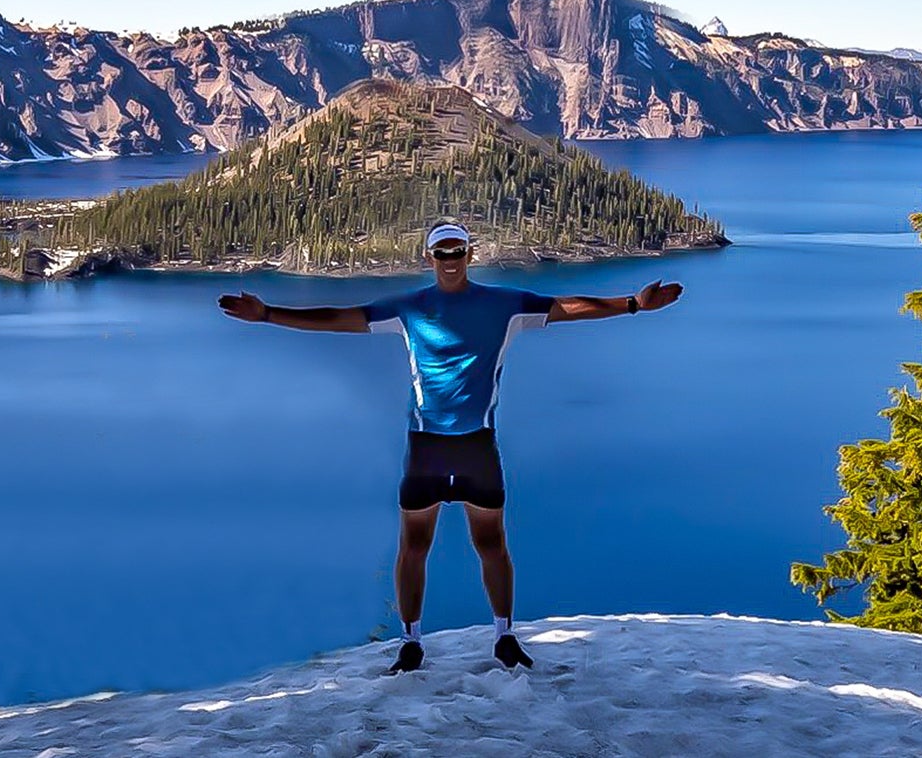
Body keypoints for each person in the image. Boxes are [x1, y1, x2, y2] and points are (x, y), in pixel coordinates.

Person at [218, 221, 686, 674]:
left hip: (476, 446)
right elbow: (341, 318)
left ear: (470, 254)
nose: (449, 260)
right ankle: (410, 642)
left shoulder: (507, 305)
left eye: (456, 251)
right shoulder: (408, 308)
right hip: (426, 447)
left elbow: (568, 307)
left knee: (491, 543)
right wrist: (268, 315)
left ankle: (504, 636)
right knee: (414, 545)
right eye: (441, 252)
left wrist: (633, 305)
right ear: (429, 257)